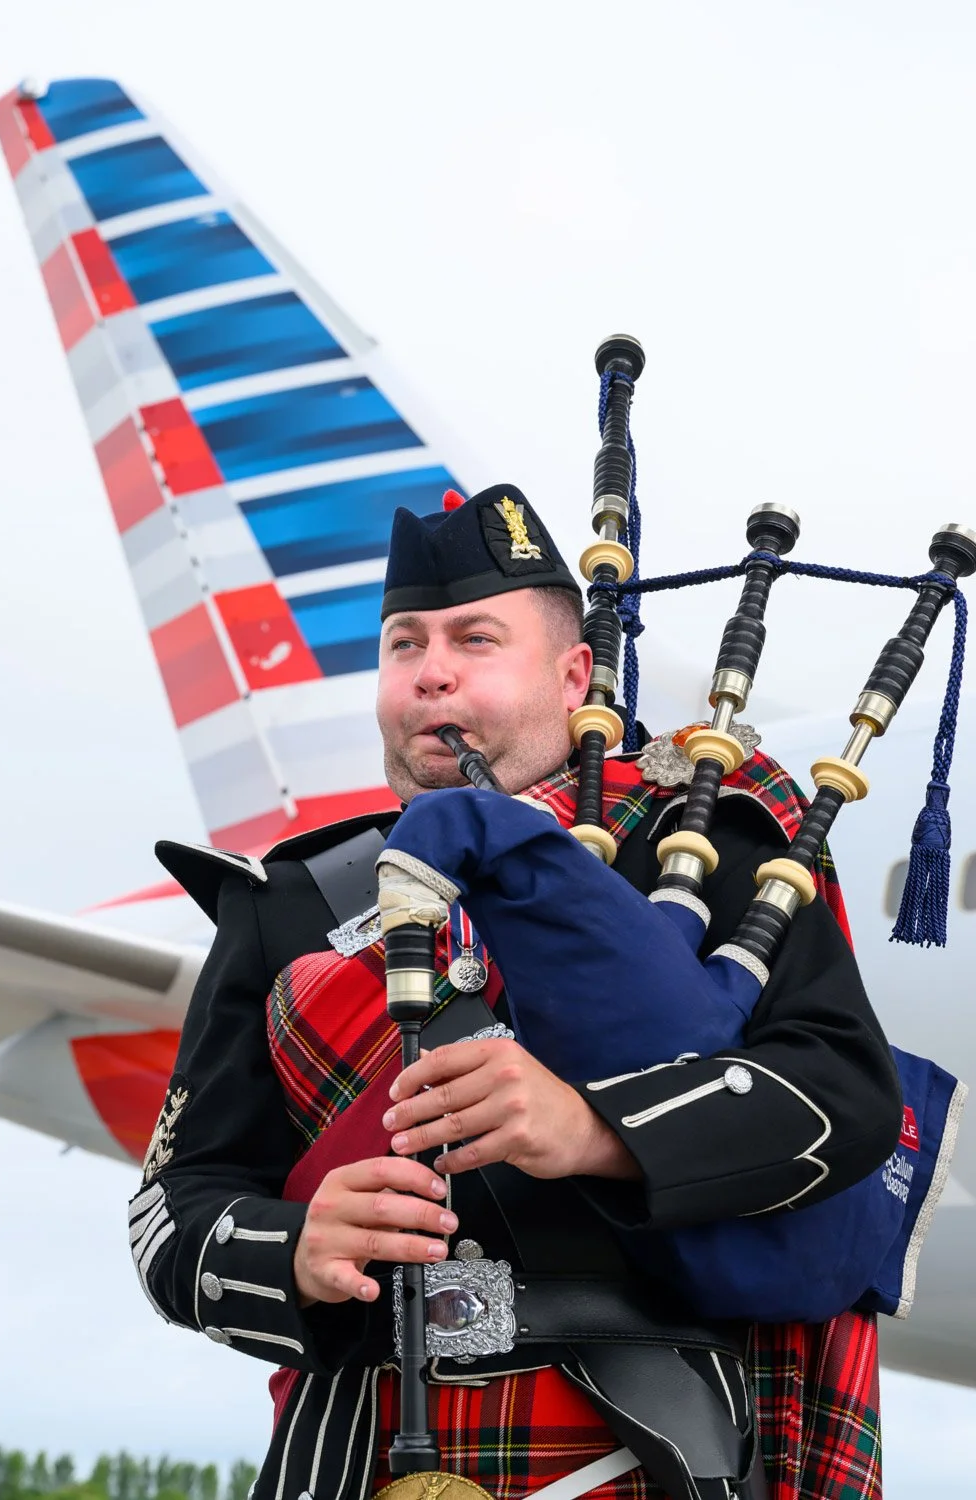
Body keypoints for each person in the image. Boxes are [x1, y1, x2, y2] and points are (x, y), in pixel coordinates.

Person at [133, 485, 901, 1500]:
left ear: (573, 674)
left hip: (647, 1439)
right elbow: (168, 1213)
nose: (431, 673)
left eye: (475, 640)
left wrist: (593, 1130)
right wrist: (296, 1248)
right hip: (360, 1444)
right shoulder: (286, 905)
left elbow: (846, 1098)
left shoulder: (702, 845)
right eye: (404, 645)